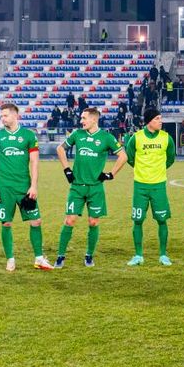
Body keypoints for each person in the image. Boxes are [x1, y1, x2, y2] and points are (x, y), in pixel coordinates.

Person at [54, 107, 126, 268]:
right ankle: (60, 256)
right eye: (81, 118)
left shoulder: (106, 137)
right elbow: (60, 149)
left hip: (95, 188)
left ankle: (89, 255)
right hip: (77, 187)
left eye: (84, 118)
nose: (81, 121)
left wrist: (110, 174)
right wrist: (67, 169)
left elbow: (123, 156)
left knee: (93, 222)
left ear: (94, 119)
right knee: (70, 220)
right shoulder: (77, 134)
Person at [0, 102, 53, 271]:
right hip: (4, 187)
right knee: (6, 223)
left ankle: (39, 258)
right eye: (1, 115)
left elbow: (34, 162)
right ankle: (10, 259)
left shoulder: (28, 135)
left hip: (24, 187)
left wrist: (33, 186)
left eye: (5, 115)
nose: (2, 118)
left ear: (16, 115)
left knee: (36, 221)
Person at [124, 108, 176, 267]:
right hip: (140, 186)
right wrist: (143, 171)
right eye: (157, 118)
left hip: (159, 186)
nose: (160, 121)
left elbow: (170, 159)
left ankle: (163, 255)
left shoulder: (166, 138)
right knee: (138, 220)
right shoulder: (136, 138)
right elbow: (130, 158)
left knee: (162, 220)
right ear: (149, 121)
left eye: (160, 118)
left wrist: (158, 171)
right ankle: (138, 255)